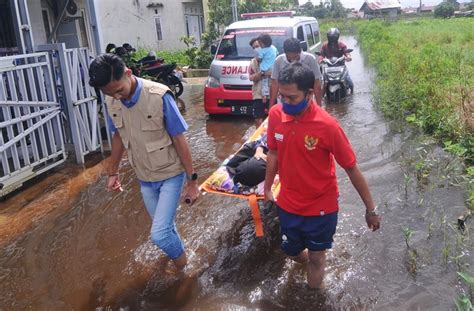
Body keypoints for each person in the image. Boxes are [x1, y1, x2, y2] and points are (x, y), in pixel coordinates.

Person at [263, 62, 381, 289]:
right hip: (288, 204)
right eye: (282, 97)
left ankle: (313, 297)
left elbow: (351, 168)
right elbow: (274, 153)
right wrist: (268, 188)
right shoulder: (276, 115)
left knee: (317, 258)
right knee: (293, 253)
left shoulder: (328, 126)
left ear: (309, 93)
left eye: (292, 98)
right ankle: (308, 256)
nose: (286, 103)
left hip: (321, 207)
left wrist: (371, 209)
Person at [88, 53, 200, 271]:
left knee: (159, 235)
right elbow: (118, 136)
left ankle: (184, 270)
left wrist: (192, 181)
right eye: (109, 93)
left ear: (128, 73)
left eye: (119, 90)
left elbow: (179, 138)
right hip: (145, 177)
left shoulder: (159, 96)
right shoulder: (113, 100)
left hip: (170, 174)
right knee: (166, 228)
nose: (117, 97)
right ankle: (180, 253)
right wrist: (113, 172)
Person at [269, 38, 322, 108]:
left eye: (295, 57)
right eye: (290, 58)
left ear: (299, 51)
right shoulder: (278, 61)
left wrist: (319, 106)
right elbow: (274, 84)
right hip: (284, 103)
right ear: (285, 52)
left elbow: (316, 84)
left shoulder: (310, 59)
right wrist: (271, 106)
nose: (293, 61)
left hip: (304, 101)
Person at [319, 28, 354, 93]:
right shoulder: (325, 46)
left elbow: (346, 52)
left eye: (334, 37)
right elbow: (322, 54)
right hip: (328, 67)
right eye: (331, 37)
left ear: (337, 37)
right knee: (324, 83)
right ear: (328, 37)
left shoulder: (341, 45)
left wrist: (348, 57)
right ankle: (321, 99)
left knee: (349, 82)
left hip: (340, 66)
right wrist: (321, 59)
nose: (332, 39)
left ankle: (352, 93)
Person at [248, 38, 269, 128]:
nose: (256, 49)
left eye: (258, 46)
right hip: (258, 94)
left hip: (271, 93)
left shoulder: (272, 59)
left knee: (273, 116)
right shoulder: (252, 62)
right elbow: (250, 77)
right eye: (254, 47)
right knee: (257, 118)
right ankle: (259, 138)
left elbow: (274, 74)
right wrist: (261, 74)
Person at [256, 33, 278, 105]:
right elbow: (277, 54)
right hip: (273, 69)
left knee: (264, 83)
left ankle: (264, 95)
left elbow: (259, 58)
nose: (259, 45)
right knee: (273, 83)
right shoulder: (274, 48)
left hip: (264, 69)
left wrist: (257, 59)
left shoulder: (262, 50)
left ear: (263, 43)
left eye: (260, 43)